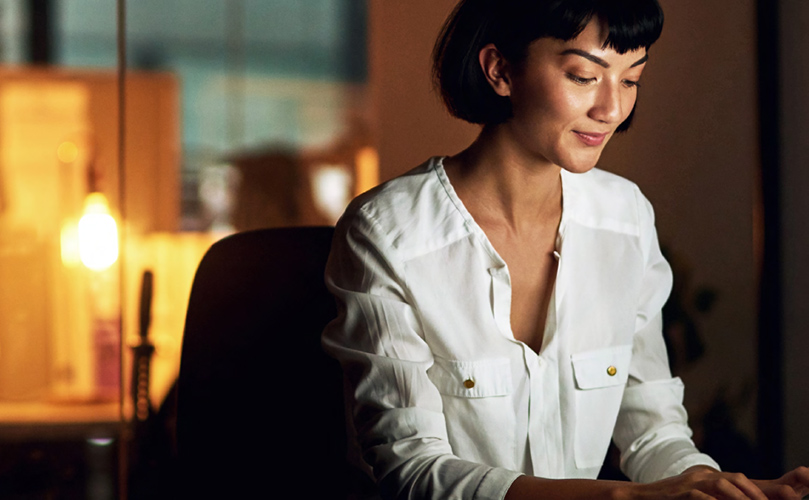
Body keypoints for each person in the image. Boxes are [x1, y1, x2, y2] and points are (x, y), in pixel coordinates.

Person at [322, 1, 809, 499]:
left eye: (631, 79)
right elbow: (411, 467)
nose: (612, 109)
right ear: (500, 70)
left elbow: (654, 430)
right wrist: (622, 497)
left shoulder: (625, 218)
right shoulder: (389, 233)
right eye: (583, 76)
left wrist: (710, 485)